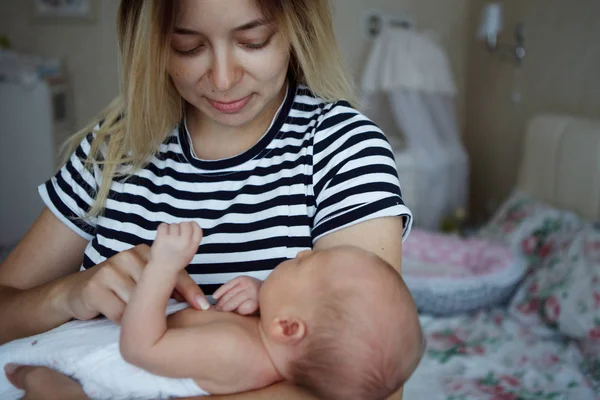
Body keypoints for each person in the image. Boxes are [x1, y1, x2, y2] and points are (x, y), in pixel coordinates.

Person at [0, 0, 422, 398]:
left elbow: (375, 387)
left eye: (253, 41)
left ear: (298, 26)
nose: (222, 79)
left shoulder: (340, 149)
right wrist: (68, 295)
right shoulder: (112, 149)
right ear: (153, 42)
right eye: (189, 47)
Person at [1, 222, 423, 399]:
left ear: (288, 327)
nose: (296, 253)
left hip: (103, 373)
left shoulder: (231, 352)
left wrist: (163, 268)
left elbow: (141, 346)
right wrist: (262, 291)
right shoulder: (266, 345)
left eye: (300, 264)